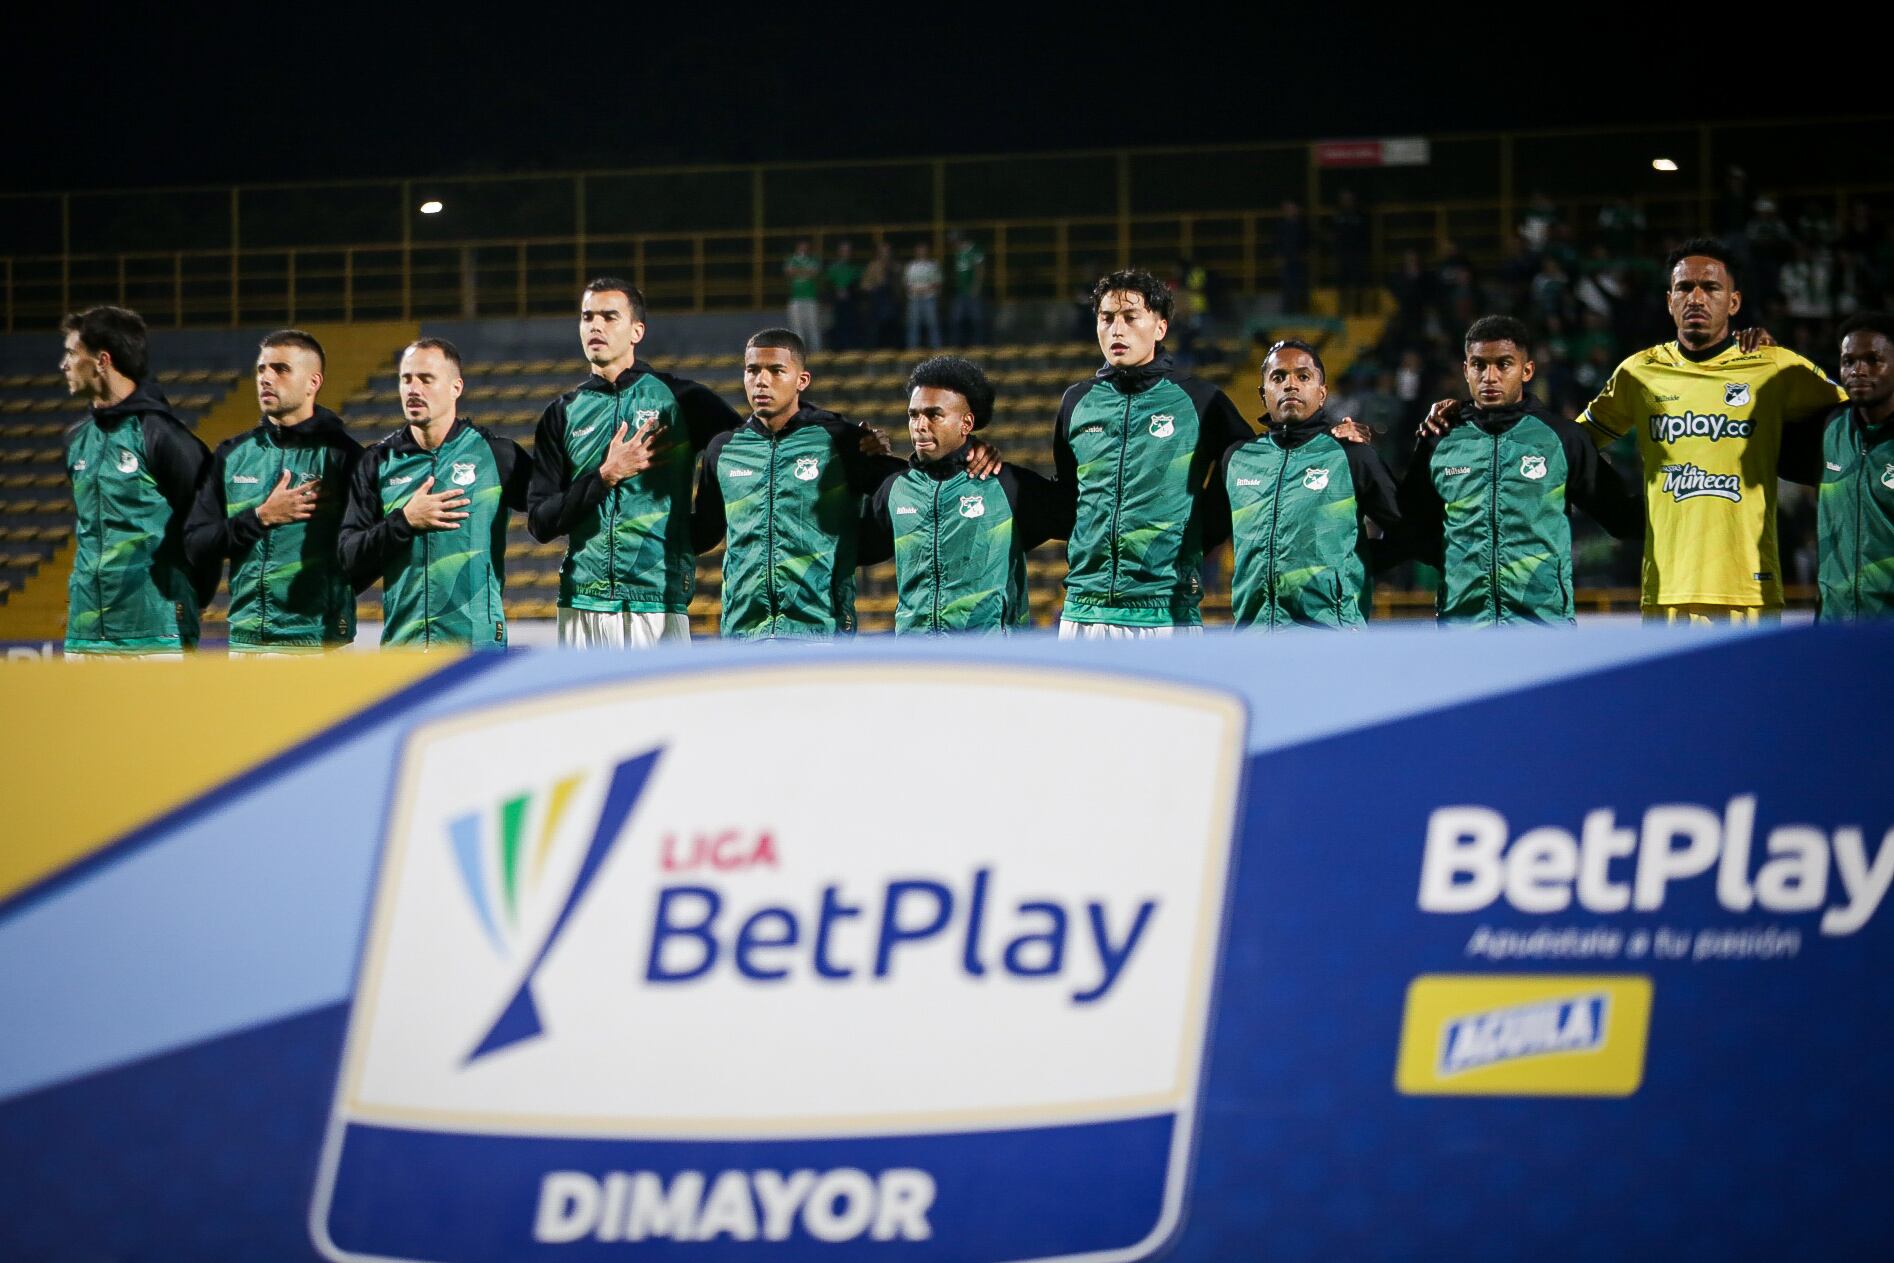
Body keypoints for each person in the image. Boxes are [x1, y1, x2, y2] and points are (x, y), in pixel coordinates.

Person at [1572, 238, 1845, 622]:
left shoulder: (1777, 367)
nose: (1696, 298)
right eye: (1684, 287)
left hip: (1750, 588)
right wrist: (1617, 509)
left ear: (1733, 302)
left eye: (1711, 287)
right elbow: (1574, 445)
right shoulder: (1638, 372)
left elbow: (1861, 421)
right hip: (1667, 588)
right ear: (1670, 301)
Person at [525, 279, 741, 647]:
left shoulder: (680, 399)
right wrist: (605, 476)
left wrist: (700, 529)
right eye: (587, 317)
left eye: (609, 317)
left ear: (636, 330)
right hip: (580, 603)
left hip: (658, 600)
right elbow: (541, 522)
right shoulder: (561, 413)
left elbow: (746, 450)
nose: (595, 326)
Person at [1051, 269, 1254, 637]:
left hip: (1165, 611)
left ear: (1160, 328)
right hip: (1082, 609)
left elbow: (1253, 469)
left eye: (1131, 318)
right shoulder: (1076, 402)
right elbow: (1067, 495)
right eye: (1107, 318)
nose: (1117, 329)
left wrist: (1201, 535)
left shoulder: (1199, 401)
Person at [1401, 316, 1641, 625]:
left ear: (1526, 370)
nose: (1490, 376)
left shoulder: (1563, 438)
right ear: (1465, 370)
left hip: (1543, 625)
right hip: (1462, 627)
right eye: (1479, 365)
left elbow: (1620, 516)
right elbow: (1407, 525)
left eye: (1503, 365)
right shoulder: (1439, 438)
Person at [693, 329, 906, 639]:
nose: (761, 381)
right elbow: (704, 532)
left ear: (801, 380)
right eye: (752, 370)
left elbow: (903, 489)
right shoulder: (724, 449)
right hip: (742, 634)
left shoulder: (840, 440)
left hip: (822, 632)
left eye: (776, 370)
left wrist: (854, 548)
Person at [339, 338, 530, 649]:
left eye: (426, 379)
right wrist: (405, 521)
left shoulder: (497, 455)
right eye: (406, 379)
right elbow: (348, 561)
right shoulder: (377, 462)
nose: (414, 389)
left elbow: (553, 515)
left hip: (477, 649)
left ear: (456, 387)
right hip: (403, 649)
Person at [183, 329, 362, 652]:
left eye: (280, 369)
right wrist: (260, 517)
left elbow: (365, 548)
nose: (266, 378)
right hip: (245, 640)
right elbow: (196, 544)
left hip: (319, 643)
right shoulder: (232, 454)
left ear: (313, 383)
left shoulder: (344, 457)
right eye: (261, 369)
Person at [861, 356, 1061, 633]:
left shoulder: (1006, 485)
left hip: (991, 662)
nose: (919, 425)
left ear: (966, 423)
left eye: (934, 415)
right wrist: (852, 461)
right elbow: (851, 548)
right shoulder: (896, 489)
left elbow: (1080, 520)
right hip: (916, 660)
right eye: (913, 414)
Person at [58, 305, 214, 657]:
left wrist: (186, 599)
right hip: (85, 633)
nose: (63, 365)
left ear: (102, 360)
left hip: (156, 631)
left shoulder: (165, 437)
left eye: (71, 353)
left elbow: (206, 534)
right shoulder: (75, 440)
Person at [1216, 340, 1402, 629]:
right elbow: (1210, 528)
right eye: (1278, 377)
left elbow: (1407, 531)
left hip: (1330, 637)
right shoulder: (1237, 460)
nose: (1291, 385)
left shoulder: (1352, 455)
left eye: (1303, 377)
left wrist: (1352, 566)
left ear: (1322, 393)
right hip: (1253, 638)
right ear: (1263, 393)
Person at [1779, 313, 1894, 619]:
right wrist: (1766, 356)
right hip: (1835, 622)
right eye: (1849, 361)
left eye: (1873, 360)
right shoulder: (1829, 429)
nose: (1859, 370)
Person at [948, 231, 988, 345]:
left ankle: (978, 345)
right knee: (956, 320)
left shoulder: (975, 250)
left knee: (977, 319)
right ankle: (957, 345)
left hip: (972, 290)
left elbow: (980, 269)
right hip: (960, 291)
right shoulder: (958, 253)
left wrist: (976, 286)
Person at [783, 240, 823, 353]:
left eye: (805, 247)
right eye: (801, 246)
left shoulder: (814, 259)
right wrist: (805, 271)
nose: (803, 249)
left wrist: (798, 271)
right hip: (796, 298)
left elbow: (814, 272)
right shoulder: (791, 259)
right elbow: (789, 272)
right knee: (797, 328)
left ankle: (816, 353)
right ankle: (800, 353)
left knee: (813, 327)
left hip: (811, 298)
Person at [826, 241, 864, 351]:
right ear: (839, 252)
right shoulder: (833, 268)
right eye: (843, 251)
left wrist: (849, 291)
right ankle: (839, 348)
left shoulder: (855, 267)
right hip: (837, 302)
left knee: (852, 324)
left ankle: (852, 347)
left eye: (848, 251)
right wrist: (836, 292)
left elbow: (859, 284)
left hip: (852, 301)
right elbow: (828, 284)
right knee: (838, 324)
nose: (846, 253)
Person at [904, 242, 943, 349]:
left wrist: (921, 289)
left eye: (924, 249)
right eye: (919, 249)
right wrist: (923, 289)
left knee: (933, 325)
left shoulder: (933, 265)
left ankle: (937, 349)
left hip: (929, 299)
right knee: (913, 326)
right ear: (916, 251)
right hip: (914, 300)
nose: (922, 252)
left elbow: (937, 283)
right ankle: (912, 350)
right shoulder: (911, 266)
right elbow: (907, 284)